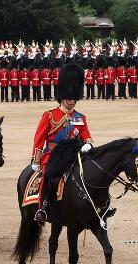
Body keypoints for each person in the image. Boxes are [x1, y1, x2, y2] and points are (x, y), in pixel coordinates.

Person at [31, 63, 93, 224]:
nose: (72, 102)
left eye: (74, 99)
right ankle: (42, 208)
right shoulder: (50, 115)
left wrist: (88, 144)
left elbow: (87, 135)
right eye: (69, 98)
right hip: (53, 155)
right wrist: (36, 161)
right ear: (62, 96)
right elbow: (39, 139)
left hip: (74, 155)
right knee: (49, 175)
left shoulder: (80, 117)